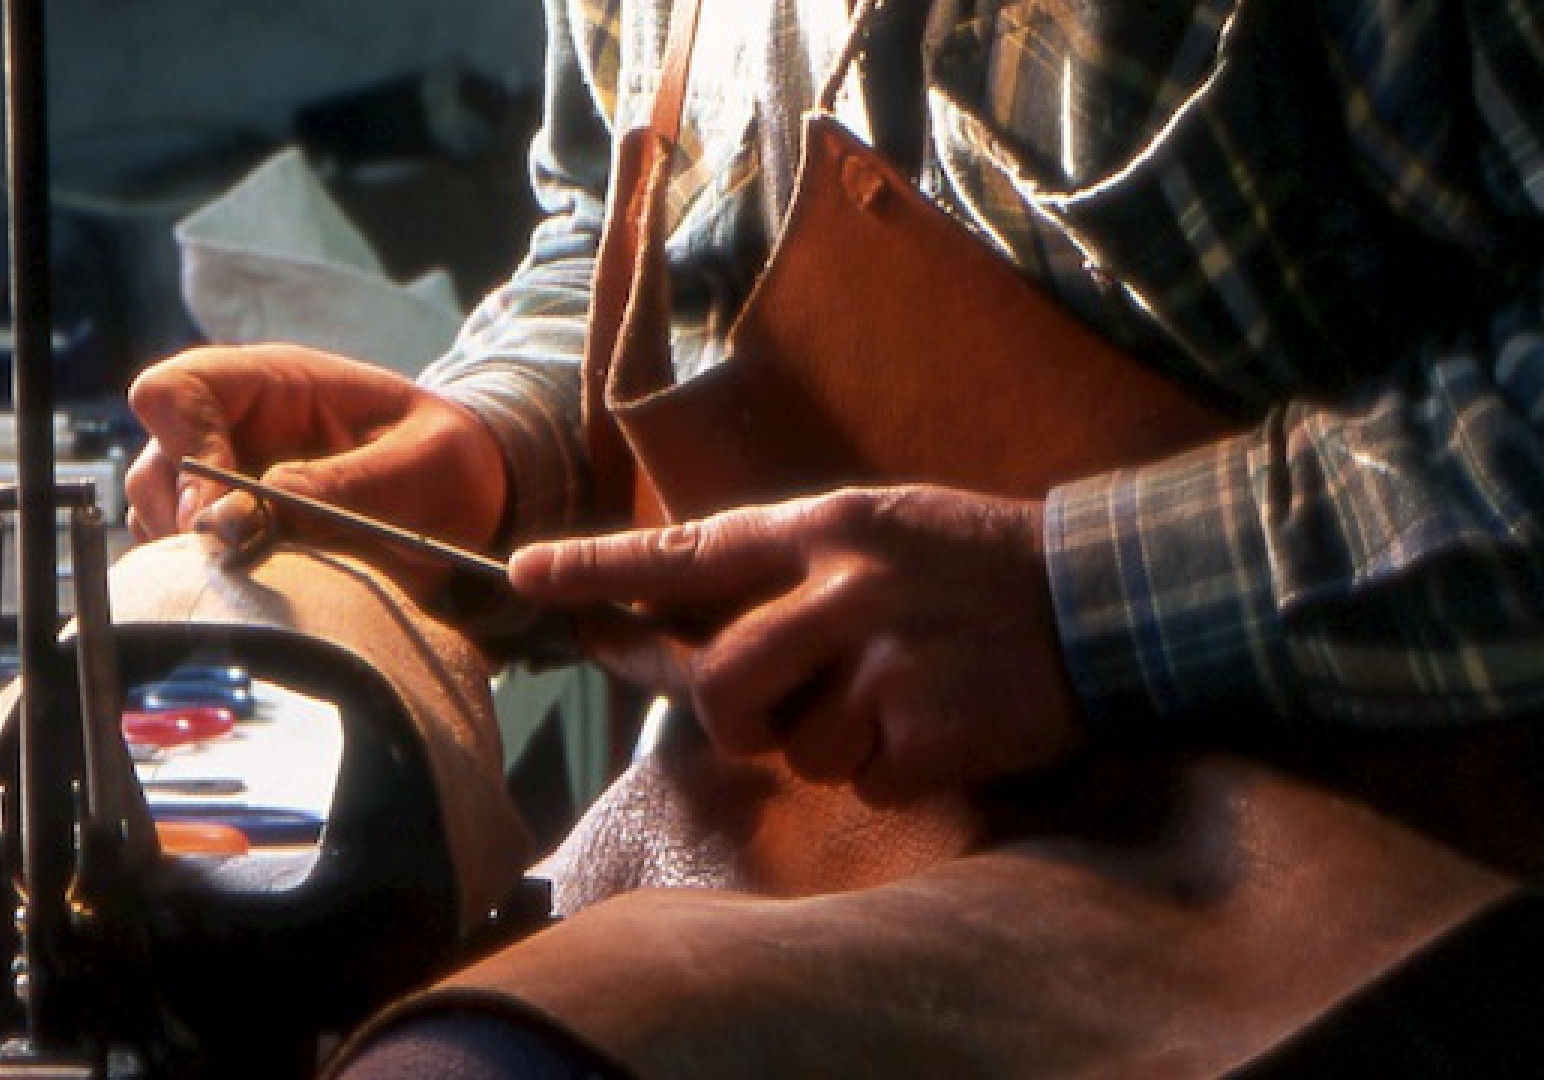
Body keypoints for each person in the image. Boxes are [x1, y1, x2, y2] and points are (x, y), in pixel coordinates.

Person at [126, 0, 1544, 1076]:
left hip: (1376, 864)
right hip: (797, 833)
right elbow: (618, 232)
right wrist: (498, 452)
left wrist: (1079, 599)